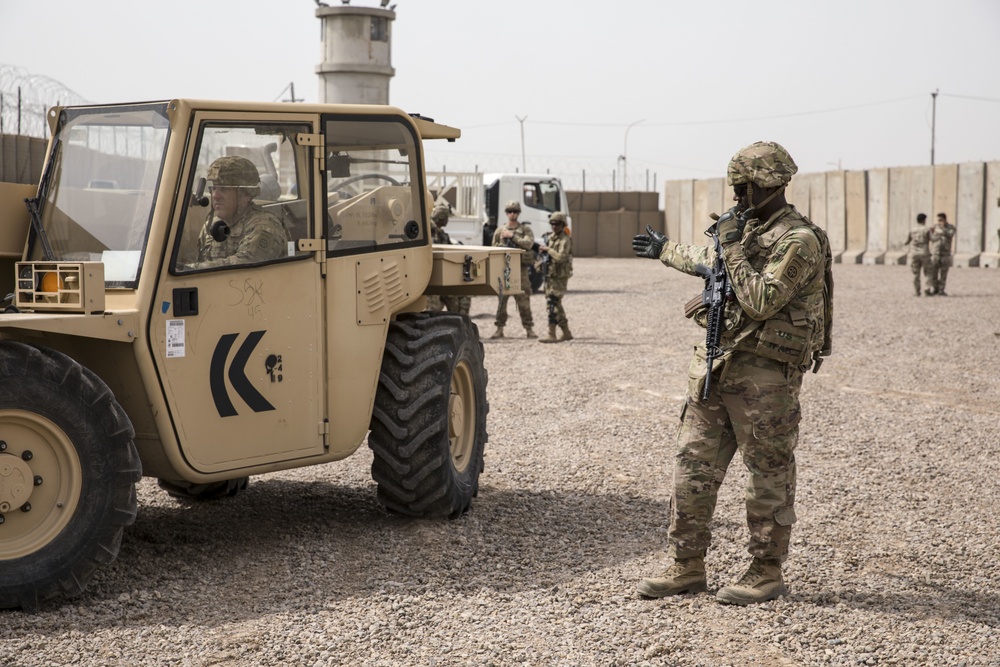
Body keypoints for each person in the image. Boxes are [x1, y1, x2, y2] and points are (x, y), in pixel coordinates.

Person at [631, 141, 833, 606]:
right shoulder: (747, 229)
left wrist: (732, 244)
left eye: (745, 187)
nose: (738, 196)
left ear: (771, 184)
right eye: (736, 187)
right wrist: (666, 251)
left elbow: (762, 297)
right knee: (691, 471)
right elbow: (713, 265)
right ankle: (686, 566)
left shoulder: (798, 240)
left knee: (767, 477)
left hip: (765, 379)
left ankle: (765, 572)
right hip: (715, 369)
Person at [187, 156, 290, 269]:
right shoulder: (212, 224)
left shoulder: (264, 226)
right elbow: (195, 261)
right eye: (214, 188)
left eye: (224, 189)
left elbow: (242, 267)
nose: (215, 195)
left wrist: (191, 268)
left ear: (245, 194)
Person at [491, 200, 535, 338]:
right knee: (502, 301)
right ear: (506, 213)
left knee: (523, 301)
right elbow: (492, 249)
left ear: (518, 213)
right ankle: (499, 328)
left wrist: (513, 237)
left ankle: (529, 328)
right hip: (504, 269)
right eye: (510, 211)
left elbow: (528, 244)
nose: (512, 214)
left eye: (515, 211)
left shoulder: (525, 230)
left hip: (520, 270)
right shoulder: (500, 231)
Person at [427, 203, 471, 315]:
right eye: (446, 217)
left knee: (460, 299)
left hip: (443, 276)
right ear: (442, 217)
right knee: (434, 309)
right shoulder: (431, 229)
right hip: (433, 277)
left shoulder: (440, 233)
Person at [538, 211, 573, 343]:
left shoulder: (565, 240)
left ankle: (551, 333)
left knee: (553, 303)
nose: (554, 226)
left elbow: (561, 257)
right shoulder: (550, 238)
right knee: (554, 303)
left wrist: (548, 250)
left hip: (559, 276)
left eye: (557, 224)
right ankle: (566, 332)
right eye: (552, 224)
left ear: (563, 224)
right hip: (550, 275)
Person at [926, 212, 956, 296]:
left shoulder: (951, 227)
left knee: (943, 273)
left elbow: (950, 235)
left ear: (945, 219)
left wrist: (943, 228)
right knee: (933, 272)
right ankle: (935, 288)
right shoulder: (934, 227)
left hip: (945, 253)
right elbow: (931, 238)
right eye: (938, 220)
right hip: (935, 253)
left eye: (941, 220)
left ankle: (941, 290)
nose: (939, 222)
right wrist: (932, 232)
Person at [903, 213, 931, 296]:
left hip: (914, 253)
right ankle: (927, 290)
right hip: (924, 252)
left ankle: (916, 291)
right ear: (924, 220)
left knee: (915, 273)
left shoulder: (912, 230)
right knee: (928, 272)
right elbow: (933, 238)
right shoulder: (927, 229)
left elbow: (906, 242)